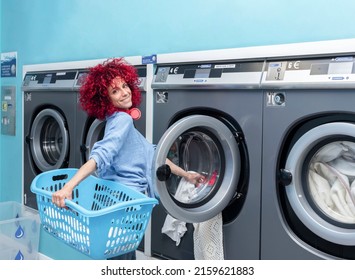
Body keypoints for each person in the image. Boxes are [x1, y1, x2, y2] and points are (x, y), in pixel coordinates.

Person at [52, 58, 204, 260]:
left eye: (124, 86)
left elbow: (154, 157)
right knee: (121, 256)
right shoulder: (122, 120)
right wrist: (68, 187)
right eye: (115, 91)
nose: (124, 92)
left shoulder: (118, 123)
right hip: (128, 203)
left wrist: (186, 175)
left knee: (122, 254)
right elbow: (101, 155)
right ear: (106, 100)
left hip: (115, 200)